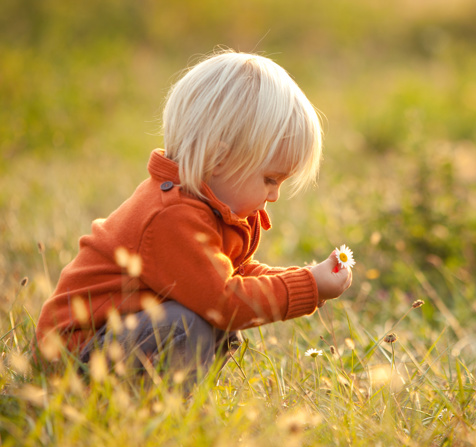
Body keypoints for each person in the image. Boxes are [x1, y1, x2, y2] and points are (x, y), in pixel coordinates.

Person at [35, 50, 353, 381]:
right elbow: (225, 301)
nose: (274, 195)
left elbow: (234, 275)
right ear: (218, 159)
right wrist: (309, 286)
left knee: (203, 322)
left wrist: (304, 275)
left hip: (113, 343)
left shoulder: (204, 205)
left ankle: (158, 406)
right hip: (73, 363)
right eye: (270, 179)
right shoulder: (170, 217)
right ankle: (124, 408)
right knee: (187, 324)